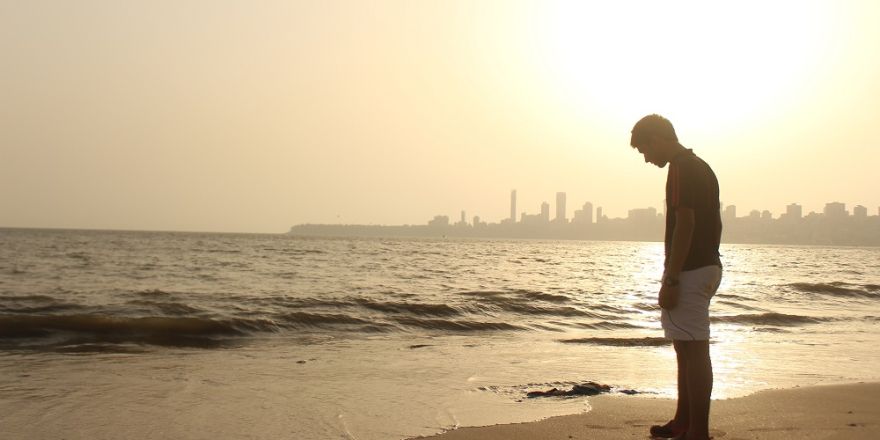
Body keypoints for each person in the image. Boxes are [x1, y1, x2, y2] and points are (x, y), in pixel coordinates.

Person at [629, 114, 722, 440]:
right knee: (686, 346)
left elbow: (686, 223)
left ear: (657, 139)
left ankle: (697, 430)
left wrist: (671, 278)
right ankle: (684, 422)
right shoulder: (703, 167)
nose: (646, 157)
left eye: (644, 149)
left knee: (694, 349)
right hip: (708, 265)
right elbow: (715, 222)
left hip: (692, 269)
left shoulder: (680, 168)